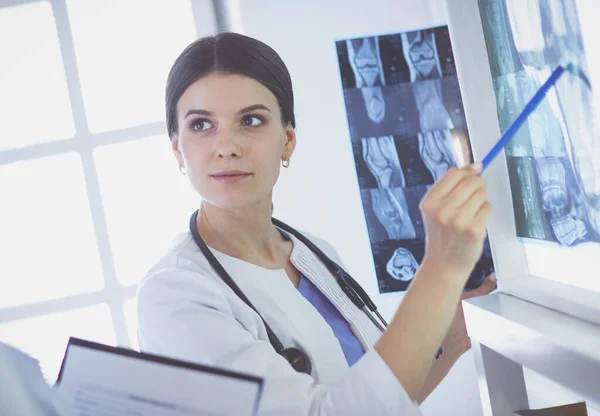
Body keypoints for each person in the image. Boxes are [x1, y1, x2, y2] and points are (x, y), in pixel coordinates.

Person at [136, 32, 496, 415]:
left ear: (287, 140)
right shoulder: (174, 294)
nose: (226, 146)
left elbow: (379, 402)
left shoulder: (316, 254)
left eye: (251, 120)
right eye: (201, 125)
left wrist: (451, 336)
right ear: (177, 149)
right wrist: (439, 269)